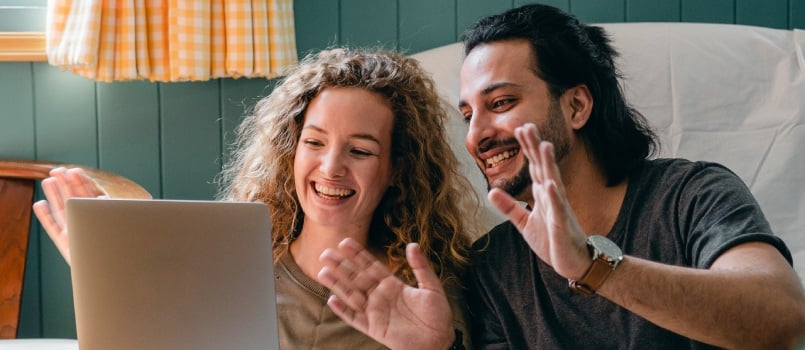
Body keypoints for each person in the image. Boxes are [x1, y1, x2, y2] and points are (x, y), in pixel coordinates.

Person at [316, 4, 805, 350]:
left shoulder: (691, 196)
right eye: (469, 114)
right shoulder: (493, 266)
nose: (477, 135)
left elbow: (781, 321)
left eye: (501, 103)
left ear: (576, 105)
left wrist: (592, 267)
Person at [32, 48, 476, 349]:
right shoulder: (226, 270)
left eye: (360, 151)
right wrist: (107, 286)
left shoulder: (423, 296)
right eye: (314, 142)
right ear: (290, 149)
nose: (331, 168)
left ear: (397, 168)